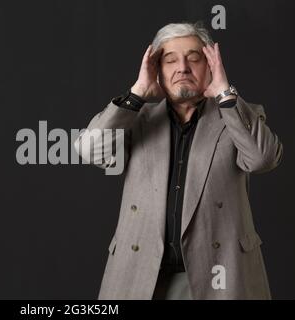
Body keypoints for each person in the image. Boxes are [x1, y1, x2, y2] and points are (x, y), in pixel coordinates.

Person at [74, 22, 283, 299]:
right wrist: (137, 93)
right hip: (143, 276)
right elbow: (90, 151)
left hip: (219, 277)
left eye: (194, 58)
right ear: (157, 70)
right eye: (170, 60)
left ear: (210, 66)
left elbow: (263, 159)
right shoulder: (136, 118)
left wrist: (225, 94)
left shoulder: (236, 115)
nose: (182, 67)